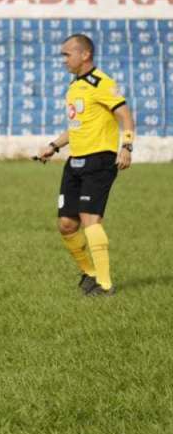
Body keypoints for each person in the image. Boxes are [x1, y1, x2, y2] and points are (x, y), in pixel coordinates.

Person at [36, 33, 134, 296]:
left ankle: (104, 284)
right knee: (66, 224)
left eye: (67, 54)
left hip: (99, 161)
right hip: (74, 161)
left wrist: (126, 146)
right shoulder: (74, 86)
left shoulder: (101, 83)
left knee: (90, 221)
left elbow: (125, 114)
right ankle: (89, 274)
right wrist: (54, 146)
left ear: (85, 54)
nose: (64, 60)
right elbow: (76, 127)